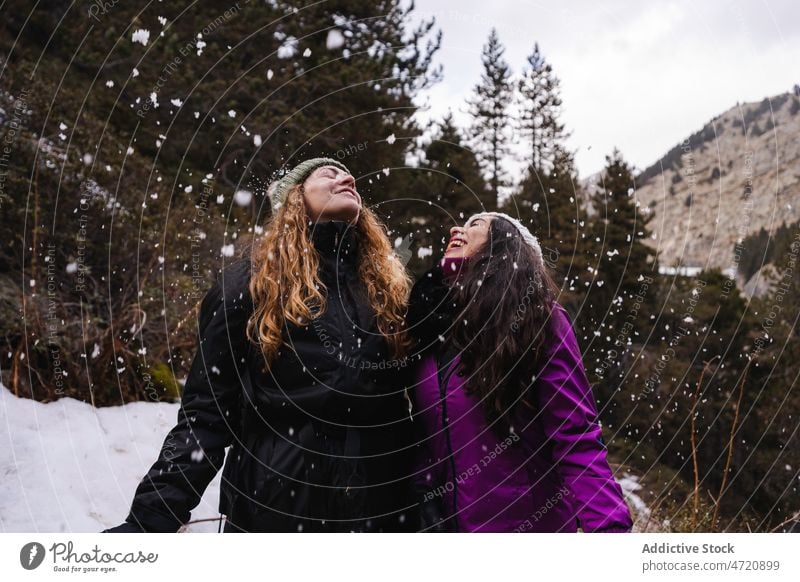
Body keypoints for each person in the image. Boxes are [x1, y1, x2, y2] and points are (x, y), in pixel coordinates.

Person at [103, 158, 416, 533]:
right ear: (294, 198)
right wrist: (148, 520)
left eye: (349, 175)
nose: (349, 177)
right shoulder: (250, 285)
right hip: (275, 507)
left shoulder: (387, 292)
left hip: (381, 511)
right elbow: (206, 415)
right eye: (328, 174)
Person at [407, 212, 633, 532]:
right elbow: (428, 440)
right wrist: (424, 497)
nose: (457, 229)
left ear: (503, 248)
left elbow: (576, 438)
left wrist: (611, 531)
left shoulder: (539, 322)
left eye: (476, 225)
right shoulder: (432, 333)